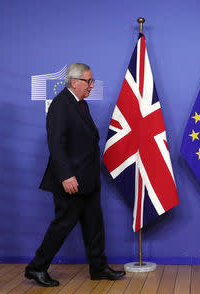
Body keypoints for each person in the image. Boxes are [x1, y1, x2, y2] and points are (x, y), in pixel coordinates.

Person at [25, 63, 126, 287]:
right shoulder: (61, 105)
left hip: (87, 179)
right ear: (74, 82)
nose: (91, 86)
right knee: (62, 225)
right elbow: (56, 143)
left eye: (92, 81)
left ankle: (98, 268)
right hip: (71, 180)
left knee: (94, 225)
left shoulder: (80, 104)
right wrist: (66, 175)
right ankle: (37, 267)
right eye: (88, 81)